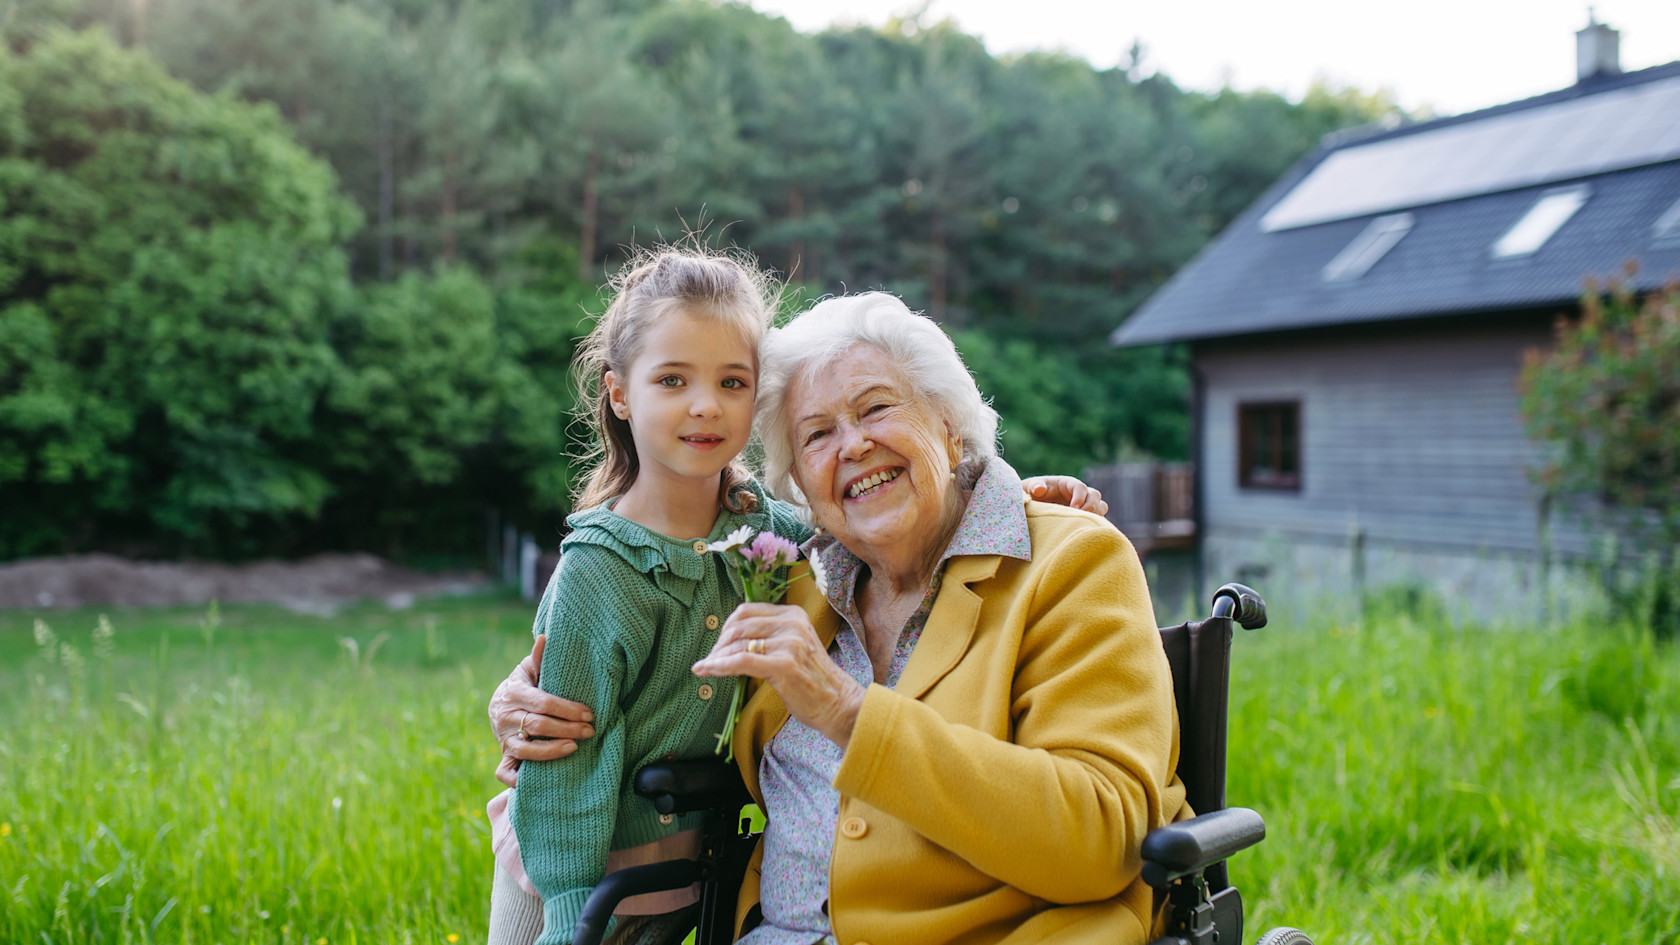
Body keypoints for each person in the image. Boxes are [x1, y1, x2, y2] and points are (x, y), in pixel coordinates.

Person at [486, 255, 1108, 945]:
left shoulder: (786, 544)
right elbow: (579, 720)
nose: (854, 446)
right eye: (817, 433)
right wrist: (519, 699)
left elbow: (1096, 836)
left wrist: (1000, 495)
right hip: (592, 881)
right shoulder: (792, 570)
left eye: (876, 408)